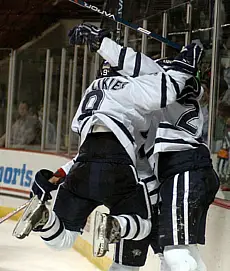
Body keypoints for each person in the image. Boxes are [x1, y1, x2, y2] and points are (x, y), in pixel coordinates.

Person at [13, 40, 199, 271]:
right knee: (144, 227)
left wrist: (57, 176)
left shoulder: (90, 93)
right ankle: (117, 224)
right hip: (129, 176)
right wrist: (186, 63)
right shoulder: (131, 88)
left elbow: (92, 147)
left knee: (63, 239)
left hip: (84, 165)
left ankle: (45, 220)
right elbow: (166, 90)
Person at [69, 23, 220, 271]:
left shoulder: (171, 85)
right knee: (178, 253)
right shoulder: (177, 89)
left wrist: (103, 44)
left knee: (175, 255)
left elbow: (140, 66)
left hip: (183, 169)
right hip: (175, 174)